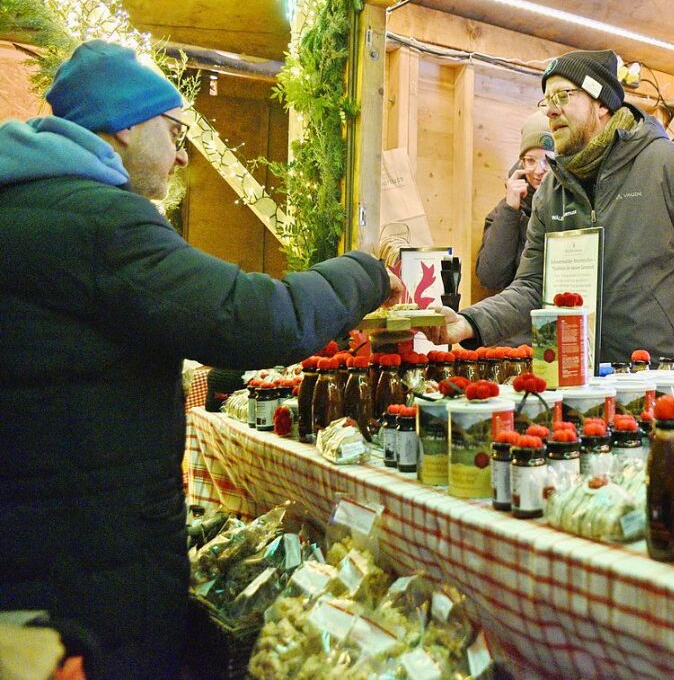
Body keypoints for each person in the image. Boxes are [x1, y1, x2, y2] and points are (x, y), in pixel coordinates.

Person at [0, 40, 402, 679]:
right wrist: (366, 272)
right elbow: (256, 318)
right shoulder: (99, 222)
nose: (182, 151)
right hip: (82, 560)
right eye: (174, 128)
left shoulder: (30, 207)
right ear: (126, 127)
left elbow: (101, 348)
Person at [430, 49, 674, 373]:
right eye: (546, 101)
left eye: (563, 96)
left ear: (602, 104)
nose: (551, 111)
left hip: (667, 386)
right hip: (581, 384)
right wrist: (470, 320)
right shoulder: (551, 193)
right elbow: (532, 286)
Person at [475, 109, 555, 345]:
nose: (538, 170)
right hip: (515, 334)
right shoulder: (504, 211)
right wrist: (510, 211)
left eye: (548, 160)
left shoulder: (569, 206)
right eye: (530, 161)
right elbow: (490, 276)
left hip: (561, 327)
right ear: (521, 163)